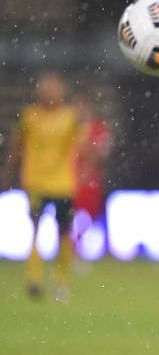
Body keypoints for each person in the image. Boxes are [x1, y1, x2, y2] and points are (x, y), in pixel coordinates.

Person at [0, 72, 83, 301]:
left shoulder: (70, 117)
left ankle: (60, 282)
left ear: (61, 91)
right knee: (35, 230)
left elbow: (82, 147)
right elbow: (17, 146)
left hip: (63, 183)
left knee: (63, 233)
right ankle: (34, 278)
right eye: (45, 87)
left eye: (53, 88)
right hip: (35, 182)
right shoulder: (29, 116)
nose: (48, 92)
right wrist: (7, 173)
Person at [72, 92, 113, 240]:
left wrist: (85, 143)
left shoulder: (99, 128)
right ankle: (72, 250)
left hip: (92, 183)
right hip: (68, 181)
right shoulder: (67, 129)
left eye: (82, 106)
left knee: (92, 217)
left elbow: (103, 156)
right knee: (69, 219)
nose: (79, 110)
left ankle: (101, 247)